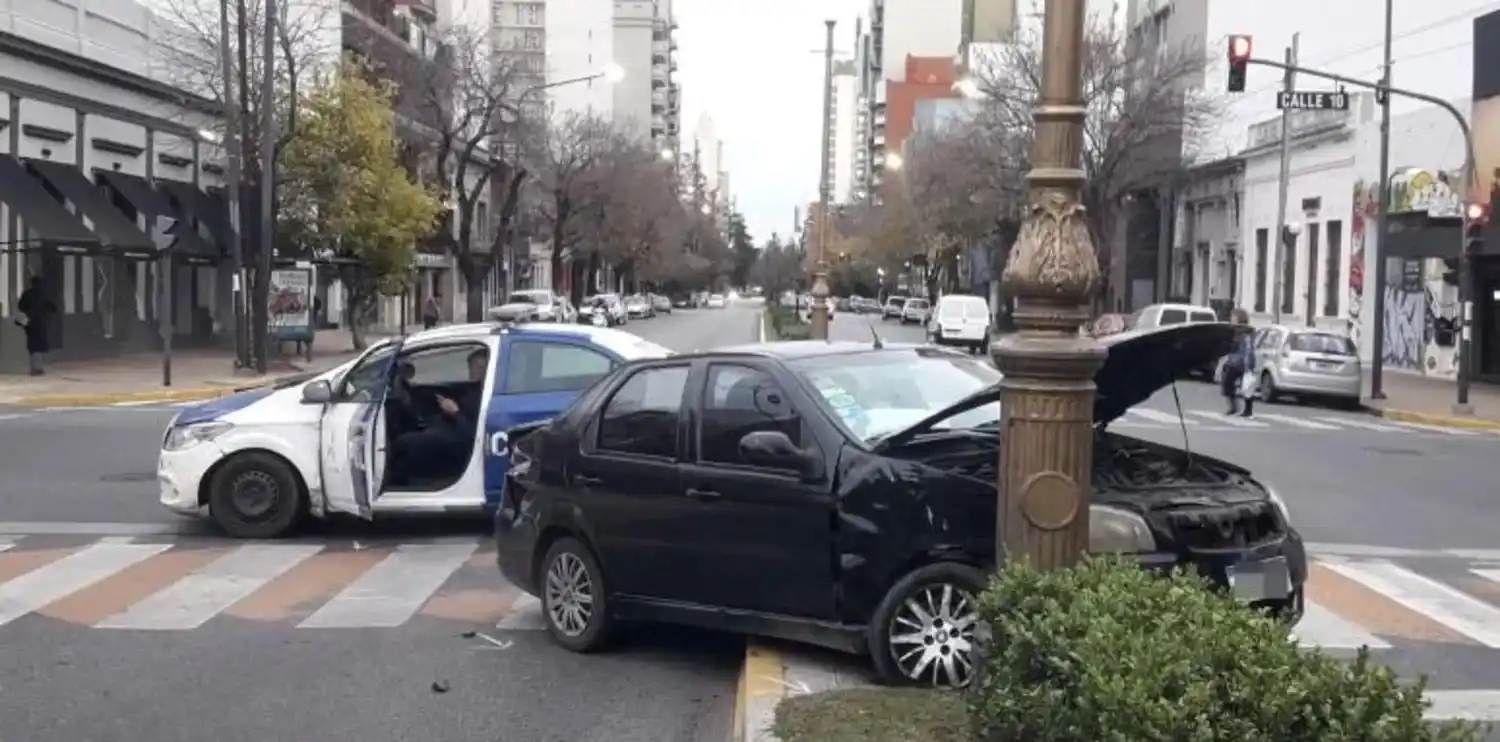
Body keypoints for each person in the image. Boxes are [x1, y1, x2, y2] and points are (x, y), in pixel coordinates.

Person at [389, 349, 488, 483]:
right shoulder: (475, 389)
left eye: (473, 367)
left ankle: (398, 482)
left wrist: (455, 412)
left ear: (483, 369)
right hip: (449, 426)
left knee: (404, 443)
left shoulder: (487, 395)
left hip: (460, 437)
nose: (470, 371)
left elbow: (473, 434)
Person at [16, 276, 55, 376]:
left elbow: (20, 305)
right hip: (41, 322)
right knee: (39, 345)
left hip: (29, 323)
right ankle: (37, 368)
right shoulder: (44, 294)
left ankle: (35, 367)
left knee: (33, 345)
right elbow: (52, 306)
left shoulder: (27, 294)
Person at [1221, 309, 1256, 418]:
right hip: (1233, 361)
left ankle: (1248, 410)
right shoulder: (1232, 330)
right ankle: (1233, 406)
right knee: (1227, 383)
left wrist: (1247, 364)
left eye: (1234, 317)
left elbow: (1248, 347)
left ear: (1239, 318)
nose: (1231, 319)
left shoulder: (1246, 331)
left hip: (1244, 361)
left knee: (1246, 386)